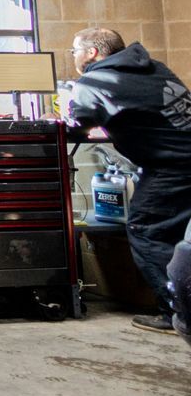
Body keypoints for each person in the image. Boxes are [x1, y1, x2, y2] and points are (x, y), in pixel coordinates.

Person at [67, 28, 191, 335]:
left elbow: (79, 124)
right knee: (178, 237)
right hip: (179, 161)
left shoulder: (93, 81)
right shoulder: (156, 68)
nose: (75, 57)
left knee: (145, 230)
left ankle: (176, 314)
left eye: (75, 51)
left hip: (171, 167)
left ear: (92, 52)